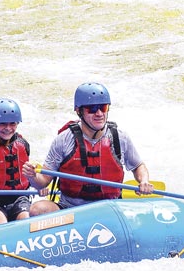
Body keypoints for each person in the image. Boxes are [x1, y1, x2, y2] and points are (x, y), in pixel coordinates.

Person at [22, 82, 154, 216]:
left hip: (110, 207)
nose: (99, 113)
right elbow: (43, 182)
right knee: (36, 210)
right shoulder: (63, 140)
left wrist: (144, 181)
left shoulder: (120, 137)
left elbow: (138, 166)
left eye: (103, 107)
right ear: (79, 111)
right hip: (70, 208)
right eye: (92, 108)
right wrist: (32, 177)